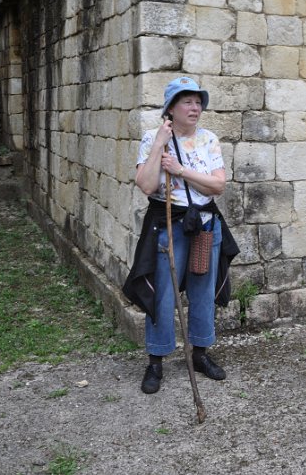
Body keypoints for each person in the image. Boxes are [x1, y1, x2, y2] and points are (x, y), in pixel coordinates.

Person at [125, 76, 228, 394]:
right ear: (170, 108)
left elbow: (218, 185)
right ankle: (156, 361)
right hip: (167, 224)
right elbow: (146, 185)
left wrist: (181, 171)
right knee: (163, 293)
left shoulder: (208, 139)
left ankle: (200, 353)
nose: (195, 108)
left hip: (204, 224)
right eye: (187, 102)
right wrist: (159, 145)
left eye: (198, 102)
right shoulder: (152, 139)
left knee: (203, 291)